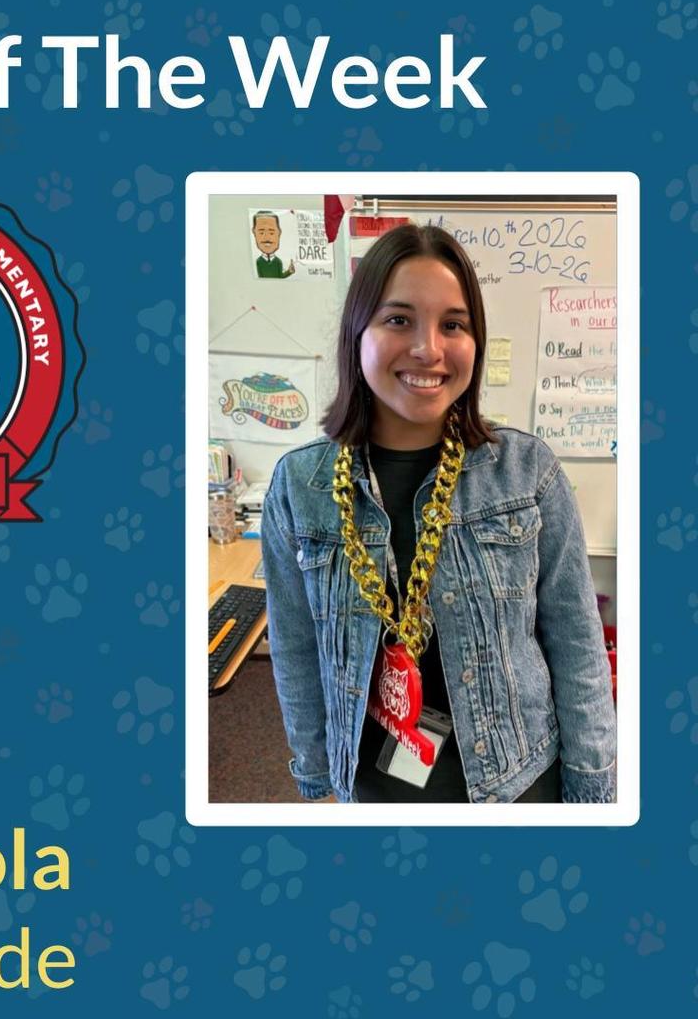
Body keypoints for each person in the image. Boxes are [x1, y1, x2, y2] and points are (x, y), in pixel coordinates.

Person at [261, 224, 616, 804]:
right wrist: (316, 778)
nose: (428, 348)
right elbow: (297, 646)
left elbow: (577, 645)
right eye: (398, 319)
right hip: (372, 788)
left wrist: (595, 793)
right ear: (358, 333)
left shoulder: (527, 472)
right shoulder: (300, 486)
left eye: (453, 324)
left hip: (518, 785)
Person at [252, 211, 295, 278]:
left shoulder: (278, 261)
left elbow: (280, 277)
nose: (267, 238)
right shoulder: (259, 261)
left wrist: (289, 272)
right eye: (261, 233)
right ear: (254, 232)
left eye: (271, 233)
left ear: (279, 233)